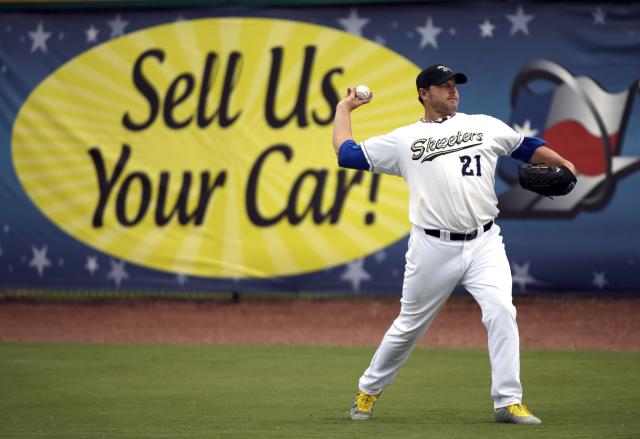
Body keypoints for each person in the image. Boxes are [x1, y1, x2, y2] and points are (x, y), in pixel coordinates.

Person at [331, 64, 576, 424]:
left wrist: (564, 162)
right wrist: (343, 110)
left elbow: (527, 147)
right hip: (433, 246)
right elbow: (347, 154)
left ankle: (508, 401)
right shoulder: (404, 139)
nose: (452, 91)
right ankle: (367, 392)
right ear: (423, 94)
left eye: (454, 85)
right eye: (442, 86)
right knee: (409, 325)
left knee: (501, 311)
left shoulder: (483, 125)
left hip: (485, 242)